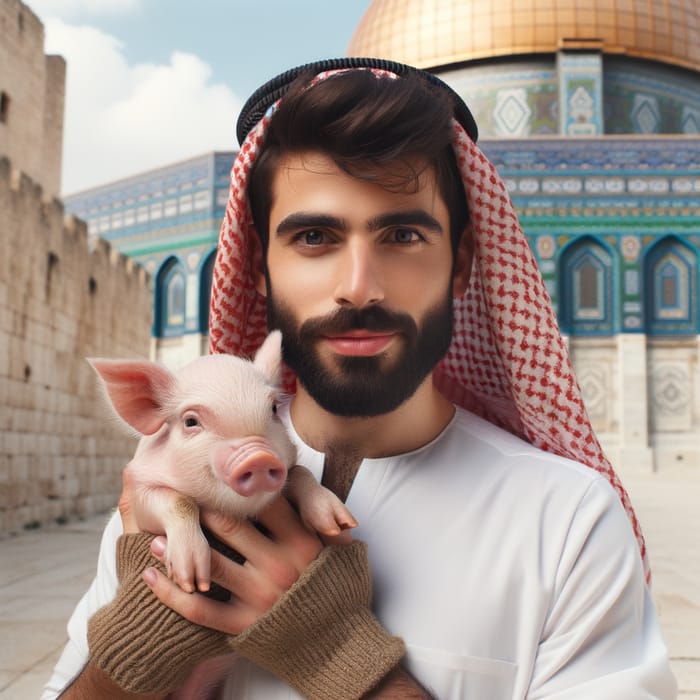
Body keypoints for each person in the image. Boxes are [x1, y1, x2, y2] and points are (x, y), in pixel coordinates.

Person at [44, 58, 677, 700]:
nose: (358, 287)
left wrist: (338, 656)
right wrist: (142, 643)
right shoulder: (181, 477)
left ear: (460, 266)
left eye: (402, 235)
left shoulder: (566, 521)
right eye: (316, 237)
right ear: (258, 270)